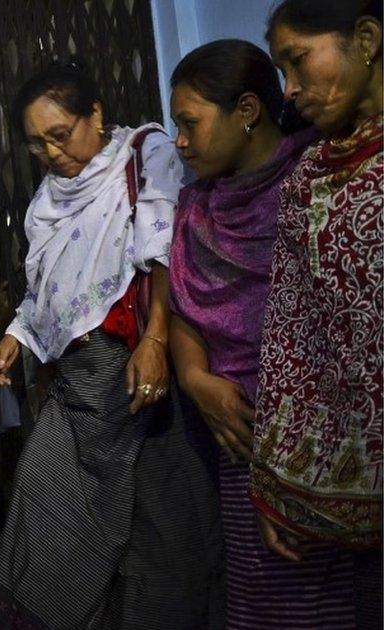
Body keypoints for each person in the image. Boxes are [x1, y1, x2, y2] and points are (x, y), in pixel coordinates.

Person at [0, 60, 223, 629]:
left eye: (59, 135)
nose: (50, 153)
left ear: (95, 114)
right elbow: (50, 288)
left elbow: (161, 251)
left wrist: (158, 341)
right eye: (36, 143)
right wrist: (17, 337)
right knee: (50, 506)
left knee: (155, 526)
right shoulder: (46, 201)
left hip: (138, 369)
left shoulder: (144, 155)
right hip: (78, 379)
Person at [168, 39, 359, 629]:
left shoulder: (323, 175)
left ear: (247, 111)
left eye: (190, 124)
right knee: (264, 605)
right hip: (239, 435)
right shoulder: (196, 207)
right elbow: (182, 311)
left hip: (334, 432)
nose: (179, 142)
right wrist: (196, 378)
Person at [256, 1, 382, 626]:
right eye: (282, 69)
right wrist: (278, 482)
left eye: (299, 60)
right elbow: (291, 332)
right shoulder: (308, 178)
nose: (292, 89)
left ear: (365, 39)